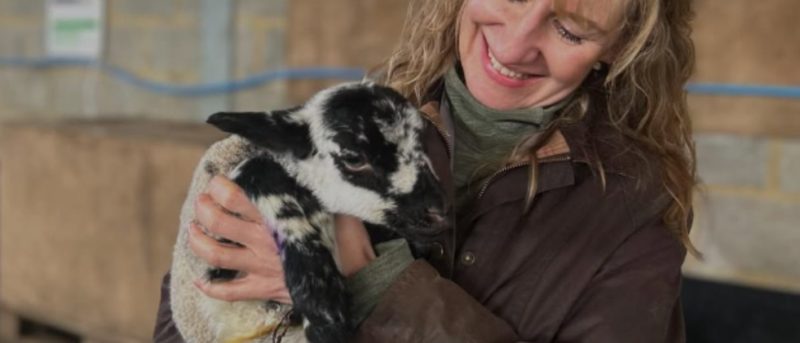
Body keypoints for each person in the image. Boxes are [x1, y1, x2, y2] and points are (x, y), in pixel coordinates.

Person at [154, 0, 697, 341]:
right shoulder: (364, 116)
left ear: (622, 46)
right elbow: (186, 317)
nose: (513, 44)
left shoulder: (632, 219)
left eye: (570, 32)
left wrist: (369, 285)